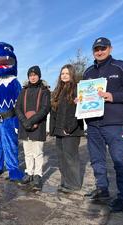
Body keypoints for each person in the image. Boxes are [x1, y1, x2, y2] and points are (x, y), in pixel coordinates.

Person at [83, 37, 123, 212]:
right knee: (97, 160)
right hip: (93, 124)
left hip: (114, 123)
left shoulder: (122, 67)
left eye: (103, 48)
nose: (99, 51)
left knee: (118, 159)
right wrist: (80, 100)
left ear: (110, 48)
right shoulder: (88, 72)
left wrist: (113, 96)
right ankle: (102, 190)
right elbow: (85, 95)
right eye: (96, 49)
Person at [50, 64, 84, 193]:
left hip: (71, 130)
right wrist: (53, 128)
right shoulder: (58, 90)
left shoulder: (76, 89)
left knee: (71, 157)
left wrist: (69, 128)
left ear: (72, 75)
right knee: (61, 157)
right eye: (62, 73)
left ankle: (74, 184)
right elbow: (55, 111)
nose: (64, 75)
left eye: (67, 73)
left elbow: (77, 112)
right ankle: (65, 181)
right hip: (59, 129)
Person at [15, 66, 51, 190]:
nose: (33, 77)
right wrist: (25, 122)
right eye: (30, 75)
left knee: (38, 152)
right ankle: (29, 172)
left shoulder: (44, 91)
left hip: (38, 126)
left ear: (39, 76)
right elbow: (17, 108)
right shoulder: (23, 91)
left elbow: (45, 108)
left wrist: (32, 121)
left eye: (35, 75)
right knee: (28, 152)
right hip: (25, 126)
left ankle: (37, 175)